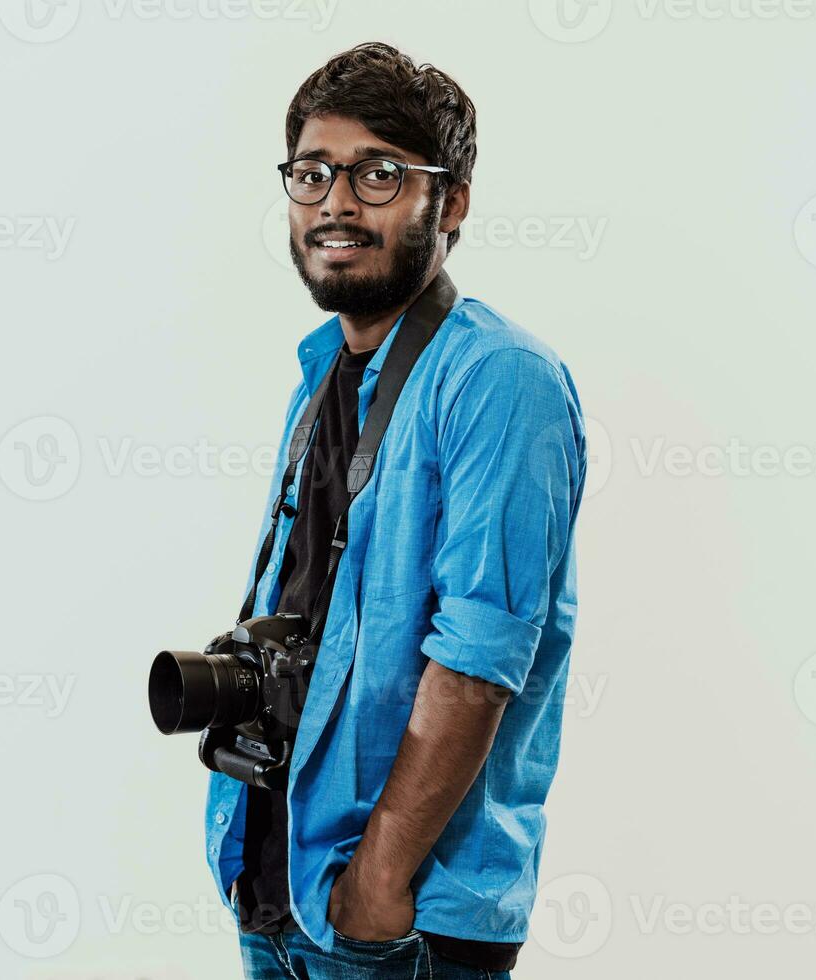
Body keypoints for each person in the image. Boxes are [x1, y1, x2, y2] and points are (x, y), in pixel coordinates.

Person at [205, 41, 588, 978]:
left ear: (448, 202)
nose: (335, 202)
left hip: (401, 921)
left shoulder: (499, 379)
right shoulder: (321, 376)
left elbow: (479, 658)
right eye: (311, 173)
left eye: (378, 174)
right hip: (282, 884)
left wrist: (377, 885)